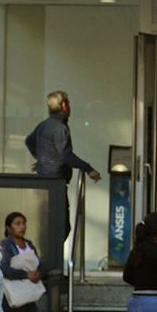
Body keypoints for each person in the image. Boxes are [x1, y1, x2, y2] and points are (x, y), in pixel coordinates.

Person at [25, 91, 103, 243]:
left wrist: (41, 158)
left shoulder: (44, 125)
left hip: (42, 182)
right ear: (64, 106)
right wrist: (88, 169)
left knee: (47, 224)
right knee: (62, 227)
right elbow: (66, 155)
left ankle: (47, 253)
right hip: (56, 182)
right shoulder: (60, 128)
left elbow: (29, 141)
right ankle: (53, 255)